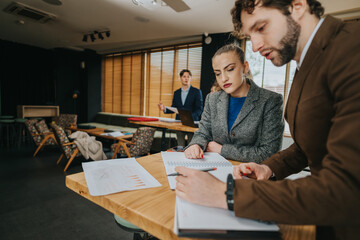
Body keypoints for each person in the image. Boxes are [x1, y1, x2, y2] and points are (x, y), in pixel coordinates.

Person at [175, 0, 360, 239]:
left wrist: (227, 194)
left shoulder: (350, 49)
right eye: (250, 34)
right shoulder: (305, 65)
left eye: (261, 27)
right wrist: (269, 168)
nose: (255, 45)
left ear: (298, 5)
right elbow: (309, 146)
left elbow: (347, 188)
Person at [184, 44, 284, 162]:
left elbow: (269, 153)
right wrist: (195, 145)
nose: (223, 78)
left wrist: (222, 150)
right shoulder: (212, 99)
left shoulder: (270, 100)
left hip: (251, 176)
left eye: (230, 69)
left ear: (245, 67)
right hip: (213, 170)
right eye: (218, 73)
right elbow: (202, 133)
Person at [158, 69, 203, 146]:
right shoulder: (177, 93)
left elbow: (199, 109)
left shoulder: (196, 92)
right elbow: (174, 108)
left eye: (188, 77)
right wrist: (164, 108)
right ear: (180, 78)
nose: (186, 78)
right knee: (180, 147)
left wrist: (190, 117)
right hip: (179, 123)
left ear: (190, 78)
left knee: (191, 146)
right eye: (184, 76)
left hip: (192, 124)